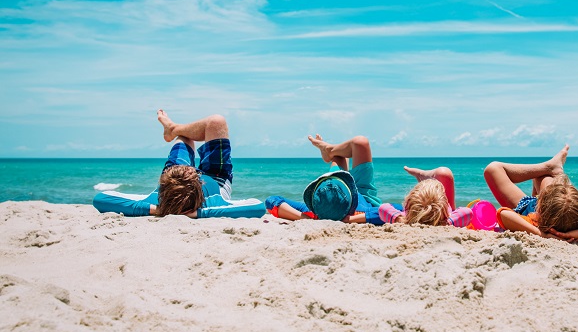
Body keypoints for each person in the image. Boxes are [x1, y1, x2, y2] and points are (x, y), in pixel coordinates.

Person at [93, 110, 265, 218]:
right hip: (216, 178)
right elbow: (257, 207)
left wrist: (157, 210)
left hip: (175, 176)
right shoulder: (214, 202)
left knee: (184, 138)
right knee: (216, 121)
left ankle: (173, 129)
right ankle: (174, 129)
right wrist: (200, 213)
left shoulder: (156, 199)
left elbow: (101, 199)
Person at [483, 145, 578, 240]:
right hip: (559, 213)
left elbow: (502, 214)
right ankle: (552, 168)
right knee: (546, 181)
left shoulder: (533, 223)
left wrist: (541, 234)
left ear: (539, 210)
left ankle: (548, 166)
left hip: (526, 209)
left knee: (494, 169)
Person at [265, 134, 389, 223]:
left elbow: (272, 201)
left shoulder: (315, 211)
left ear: (315, 201)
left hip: (337, 193)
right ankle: (329, 150)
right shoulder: (363, 211)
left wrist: (304, 218)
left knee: (346, 153)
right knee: (360, 142)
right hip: (364, 194)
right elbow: (396, 211)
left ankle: (329, 150)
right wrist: (352, 219)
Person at [377, 166, 474, 227]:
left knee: (444, 174)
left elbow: (383, 208)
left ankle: (424, 177)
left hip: (435, 214)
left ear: (407, 205)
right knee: (445, 174)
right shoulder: (447, 220)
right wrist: (446, 222)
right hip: (441, 216)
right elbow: (468, 212)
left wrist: (399, 219)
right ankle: (425, 177)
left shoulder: (405, 218)